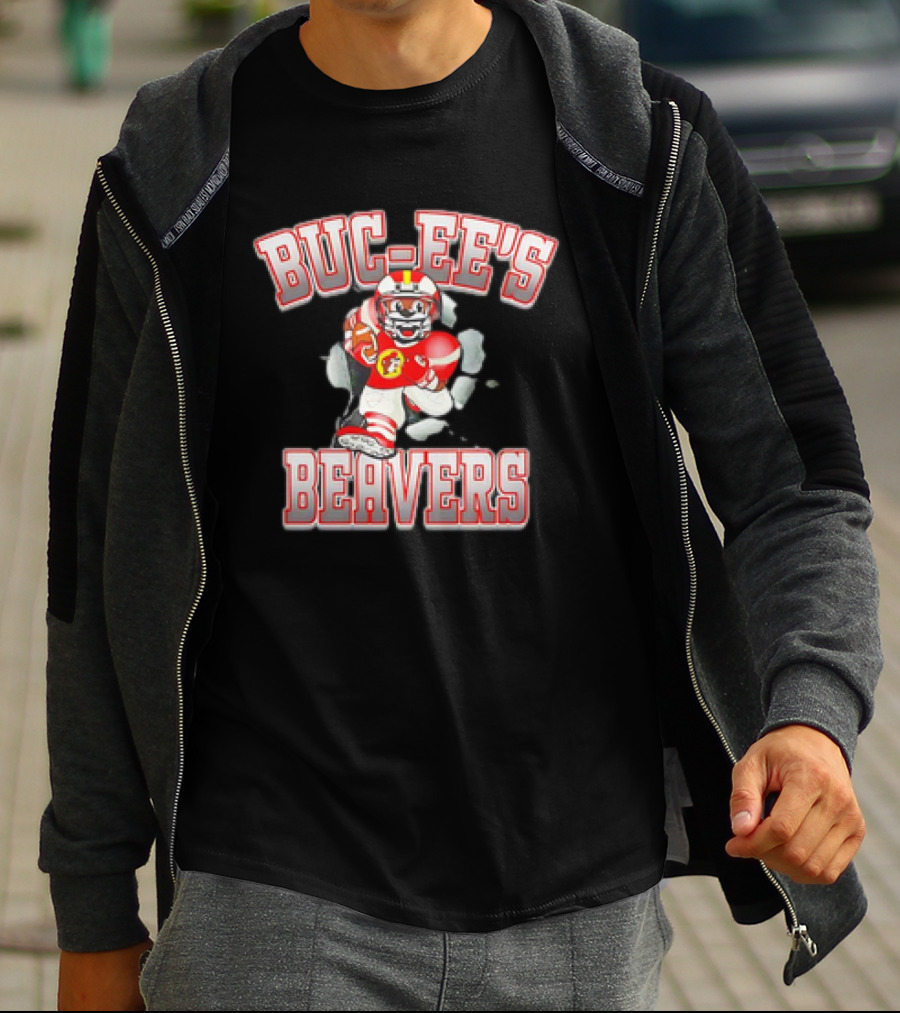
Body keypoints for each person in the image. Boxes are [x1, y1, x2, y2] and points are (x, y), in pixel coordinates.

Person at [41, 0, 881, 1009]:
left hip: (579, 894)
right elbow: (92, 545)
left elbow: (795, 480)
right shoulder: (176, 164)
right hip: (269, 892)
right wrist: (93, 901)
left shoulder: (635, 138)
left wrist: (813, 714)